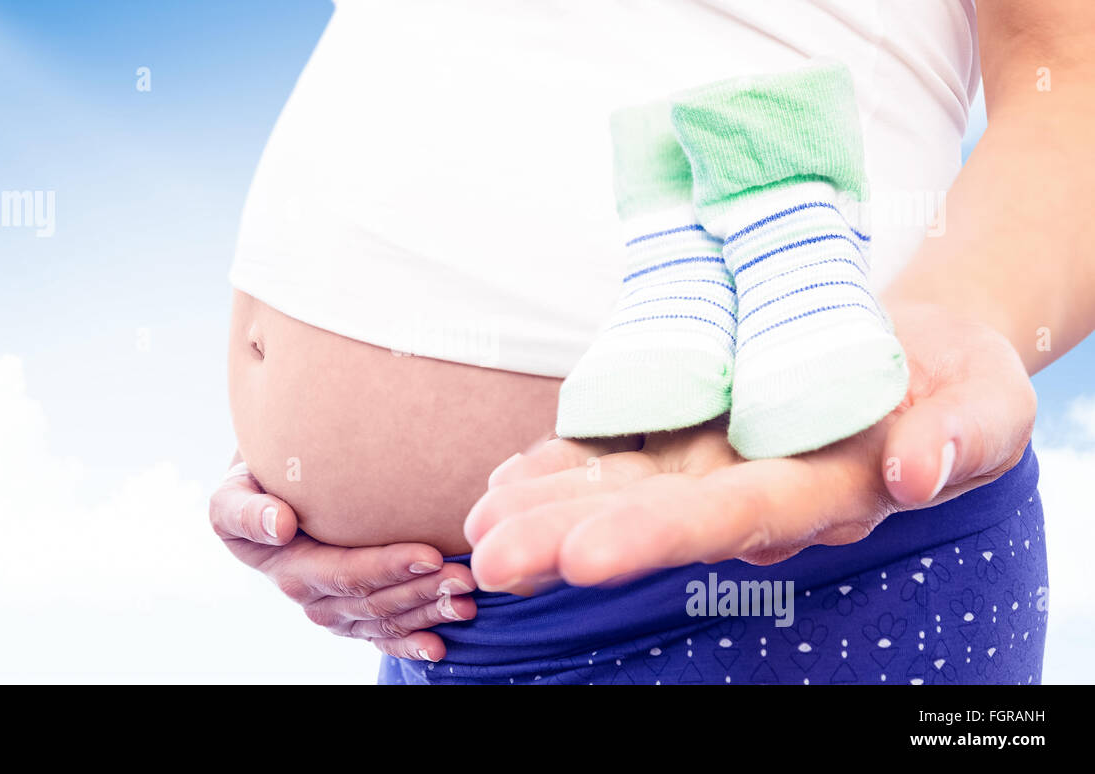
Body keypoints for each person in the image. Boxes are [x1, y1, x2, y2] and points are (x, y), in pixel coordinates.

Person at [211, 0, 1092, 683]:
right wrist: (309, 451)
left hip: (794, 578)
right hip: (439, 623)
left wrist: (941, 340)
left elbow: (1074, 81)